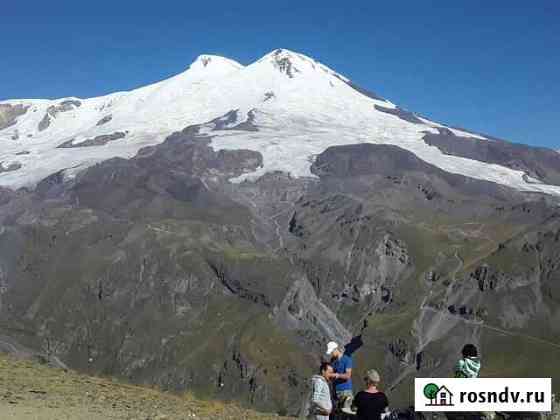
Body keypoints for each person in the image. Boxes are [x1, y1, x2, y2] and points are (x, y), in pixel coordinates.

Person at [326, 341, 353, 417]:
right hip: (336, 391)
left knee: (347, 415)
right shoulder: (333, 362)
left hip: (346, 391)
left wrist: (336, 375)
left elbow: (348, 375)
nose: (331, 354)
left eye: (331, 352)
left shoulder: (347, 359)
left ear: (335, 349)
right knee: (338, 415)